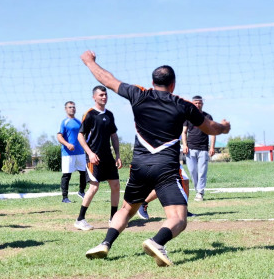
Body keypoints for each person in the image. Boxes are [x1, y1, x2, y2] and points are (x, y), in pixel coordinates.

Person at [81, 51, 231, 267]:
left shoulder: (138, 94)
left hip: (140, 166)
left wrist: (89, 62)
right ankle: (157, 242)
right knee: (179, 218)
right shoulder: (183, 105)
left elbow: (107, 79)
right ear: (173, 85)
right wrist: (224, 128)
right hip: (166, 169)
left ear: (152, 82)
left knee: (126, 209)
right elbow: (209, 127)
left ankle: (105, 243)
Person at [74, 85, 121, 231]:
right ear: (94, 97)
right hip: (94, 158)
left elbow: (113, 135)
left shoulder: (110, 115)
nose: (104, 97)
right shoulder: (90, 114)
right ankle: (80, 219)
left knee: (116, 186)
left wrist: (117, 155)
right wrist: (90, 153)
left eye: (105, 94)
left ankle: (113, 218)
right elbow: (80, 136)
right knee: (94, 187)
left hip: (108, 157)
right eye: (101, 95)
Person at [180, 96, 216, 202]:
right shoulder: (187, 116)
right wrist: (185, 145)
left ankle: (200, 192)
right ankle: (198, 190)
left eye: (199, 103)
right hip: (190, 148)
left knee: (202, 171)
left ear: (202, 104)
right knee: (192, 171)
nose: (197, 105)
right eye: (195, 103)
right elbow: (184, 132)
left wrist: (212, 147)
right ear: (192, 103)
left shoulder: (208, 116)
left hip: (203, 148)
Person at [57, 101, 88, 204]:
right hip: (68, 154)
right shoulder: (64, 122)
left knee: (83, 173)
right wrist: (67, 144)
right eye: (70, 107)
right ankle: (64, 197)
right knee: (67, 175)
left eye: (74, 107)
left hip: (80, 152)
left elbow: (83, 135)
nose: (72, 109)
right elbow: (59, 136)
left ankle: (81, 192)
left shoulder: (79, 122)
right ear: (66, 109)